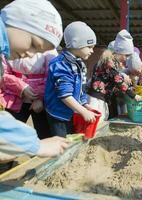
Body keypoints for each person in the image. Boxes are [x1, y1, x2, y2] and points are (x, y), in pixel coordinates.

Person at [0, 0, 68, 162]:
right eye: (33, 44)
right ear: (17, 21)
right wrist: (36, 145)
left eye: (38, 51)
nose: (31, 54)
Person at [45, 21, 97, 137]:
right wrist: (82, 111)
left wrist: (84, 104)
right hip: (58, 114)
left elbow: (82, 89)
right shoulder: (61, 64)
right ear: (76, 43)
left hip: (71, 112)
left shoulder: (80, 64)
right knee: (61, 142)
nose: (92, 50)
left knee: (71, 138)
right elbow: (64, 95)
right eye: (89, 46)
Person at [0, 50, 58, 139]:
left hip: (42, 102)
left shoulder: (48, 49)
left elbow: (51, 75)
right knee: (9, 135)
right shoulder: (9, 48)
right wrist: (21, 87)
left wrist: (39, 98)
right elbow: (3, 73)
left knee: (44, 135)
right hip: (15, 98)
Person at [87, 30, 142, 120]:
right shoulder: (109, 62)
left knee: (103, 119)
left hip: (102, 97)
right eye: (126, 55)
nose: (126, 59)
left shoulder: (113, 62)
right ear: (119, 52)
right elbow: (118, 80)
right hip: (97, 98)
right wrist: (133, 95)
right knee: (97, 120)